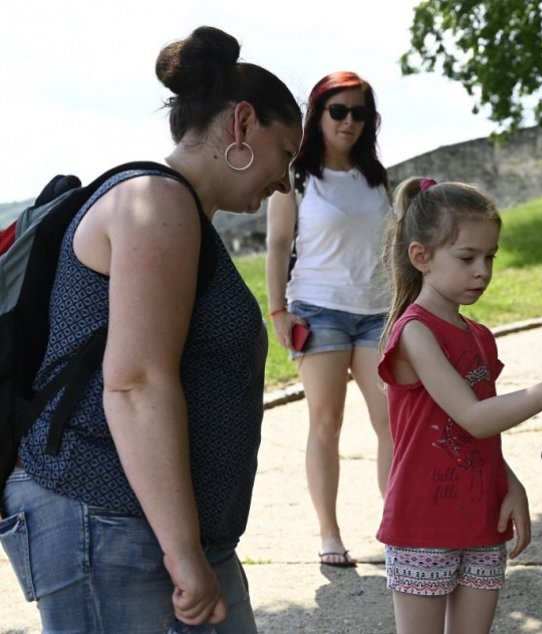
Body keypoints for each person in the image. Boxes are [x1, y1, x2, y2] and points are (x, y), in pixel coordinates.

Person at [0, 26, 302, 633]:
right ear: (243, 124)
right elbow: (135, 382)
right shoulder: (154, 202)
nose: (284, 182)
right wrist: (183, 551)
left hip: (158, 527)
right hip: (106, 516)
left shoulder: (181, 214)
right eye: (286, 154)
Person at [376, 176, 542, 634]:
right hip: (422, 526)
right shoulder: (415, 332)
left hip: (481, 520)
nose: (482, 271)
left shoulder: (480, 336)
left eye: (490, 257)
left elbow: (478, 436)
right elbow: (475, 418)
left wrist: (511, 484)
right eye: (467, 258)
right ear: (421, 256)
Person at [265, 71, 393, 568]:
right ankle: (329, 533)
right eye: (338, 111)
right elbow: (278, 246)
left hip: (377, 311)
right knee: (326, 423)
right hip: (318, 310)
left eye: (359, 113)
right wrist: (278, 310)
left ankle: (396, 528)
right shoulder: (296, 178)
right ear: (317, 116)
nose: (348, 121)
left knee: (391, 422)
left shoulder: (376, 178)